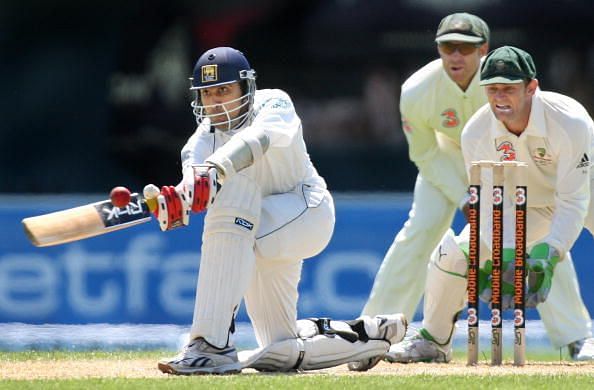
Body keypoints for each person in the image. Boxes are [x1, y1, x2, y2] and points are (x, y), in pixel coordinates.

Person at [145, 46, 407, 375]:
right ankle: (369, 334)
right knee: (280, 348)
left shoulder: (274, 103)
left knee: (231, 199)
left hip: (306, 212)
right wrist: (177, 201)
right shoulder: (199, 142)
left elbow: (259, 139)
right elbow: (193, 184)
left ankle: (210, 345)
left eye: (224, 90)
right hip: (256, 233)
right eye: (207, 93)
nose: (215, 101)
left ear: (246, 88)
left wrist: (215, 171)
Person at [388, 46, 594, 363]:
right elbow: (486, 204)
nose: (500, 98)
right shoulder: (476, 133)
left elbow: (573, 200)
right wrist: (505, 252)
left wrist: (550, 251)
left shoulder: (570, 121)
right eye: (493, 89)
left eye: (509, 89)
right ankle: (433, 340)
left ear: (531, 87)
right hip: (531, 206)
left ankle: (584, 337)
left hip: (585, 190)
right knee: (453, 253)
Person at [360, 12, 490, 323]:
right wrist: (463, 197)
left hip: (498, 160)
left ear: (483, 49)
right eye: (448, 48)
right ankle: (377, 324)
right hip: (445, 158)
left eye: (465, 48)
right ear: (438, 49)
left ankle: (574, 334)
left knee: (527, 228)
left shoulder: (503, 81)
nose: (455, 56)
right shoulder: (417, 90)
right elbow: (425, 153)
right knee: (423, 228)